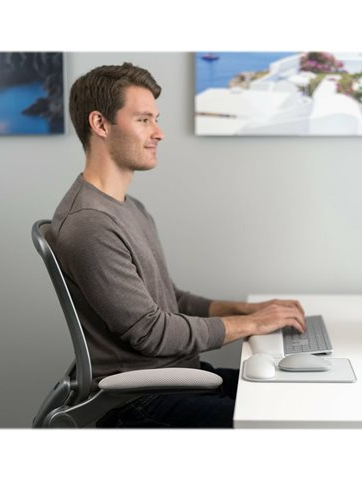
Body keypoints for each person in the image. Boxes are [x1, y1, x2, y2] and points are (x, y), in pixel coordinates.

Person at [47, 62, 306, 428]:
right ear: (100, 124)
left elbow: (171, 300)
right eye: (144, 120)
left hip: (176, 377)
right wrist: (250, 324)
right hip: (139, 399)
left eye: (156, 119)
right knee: (286, 425)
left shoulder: (127, 207)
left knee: (299, 399)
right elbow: (152, 331)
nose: (159, 133)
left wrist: (248, 310)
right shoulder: (90, 223)